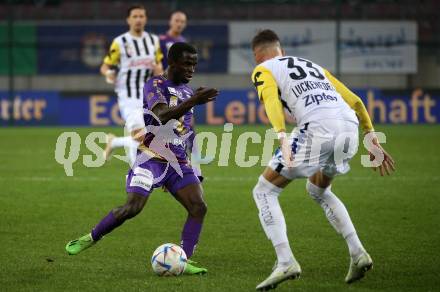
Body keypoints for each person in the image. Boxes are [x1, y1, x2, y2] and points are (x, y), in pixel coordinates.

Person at [250, 30, 395, 291]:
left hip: (317, 128)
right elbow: (357, 102)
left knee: (264, 191)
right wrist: (372, 141)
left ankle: (285, 261)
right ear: (280, 49)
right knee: (318, 189)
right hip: (349, 127)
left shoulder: (263, 69)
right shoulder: (314, 67)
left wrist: (282, 137)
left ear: (257, 55)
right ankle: (358, 252)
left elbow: (271, 100)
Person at [66, 42, 219, 275]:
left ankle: (182, 259)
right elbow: (160, 115)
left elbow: (188, 130)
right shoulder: (155, 83)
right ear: (173, 63)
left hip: (177, 163)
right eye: (187, 64)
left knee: (198, 207)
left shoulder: (189, 92)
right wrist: (193, 101)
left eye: (194, 65)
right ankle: (91, 237)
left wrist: (194, 165)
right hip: (150, 158)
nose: (191, 69)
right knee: (132, 208)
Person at [101, 4, 164, 166]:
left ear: (146, 19)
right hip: (128, 96)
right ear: (128, 20)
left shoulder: (153, 41)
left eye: (141, 16)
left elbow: (159, 67)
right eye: (135, 16)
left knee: (146, 136)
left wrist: (159, 72)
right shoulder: (120, 42)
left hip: (148, 96)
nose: (138, 19)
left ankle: (114, 142)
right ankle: (135, 174)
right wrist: (109, 74)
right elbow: (105, 66)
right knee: (139, 135)